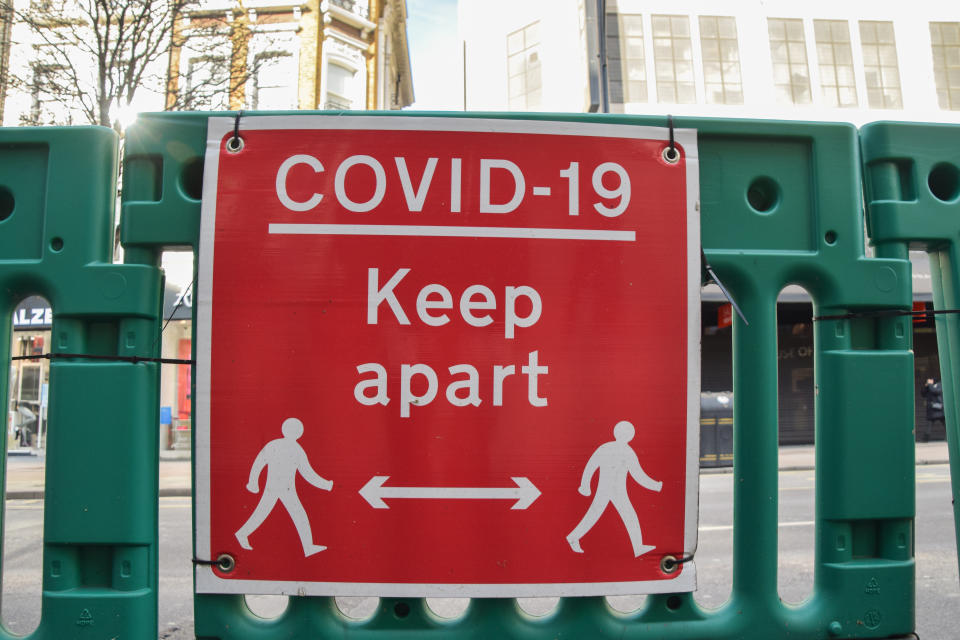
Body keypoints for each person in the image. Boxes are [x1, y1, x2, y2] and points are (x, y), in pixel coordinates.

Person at [235, 417, 333, 557]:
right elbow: (259, 463)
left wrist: (325, 484)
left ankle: (308, 547)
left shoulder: (289, 448)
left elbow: (307, 472)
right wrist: (253, 482)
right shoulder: (281, 446)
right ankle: (242, 534)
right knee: (271, 513)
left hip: (285, 489)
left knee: (292, 514)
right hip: (276, 488)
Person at [567, 420, 663, 557]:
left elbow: (591, 466)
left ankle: (638, 547)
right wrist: (656, 486)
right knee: (597, 515)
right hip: (609, 489)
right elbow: (638, 475)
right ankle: (572, 538)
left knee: (625, 515)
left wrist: (585, 485)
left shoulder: (608, 448)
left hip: (616, 490)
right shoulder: (625, 451)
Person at [920, 378, 944, 442]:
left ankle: (950, 437)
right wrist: (926, 386)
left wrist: (930, 385)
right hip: (931, 410)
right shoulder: (929, 386)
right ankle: (925, 439)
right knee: (928, 426)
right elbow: (923, 393)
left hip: (939, 409)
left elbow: (936, 391)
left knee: (946, 425)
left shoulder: (940, 385)